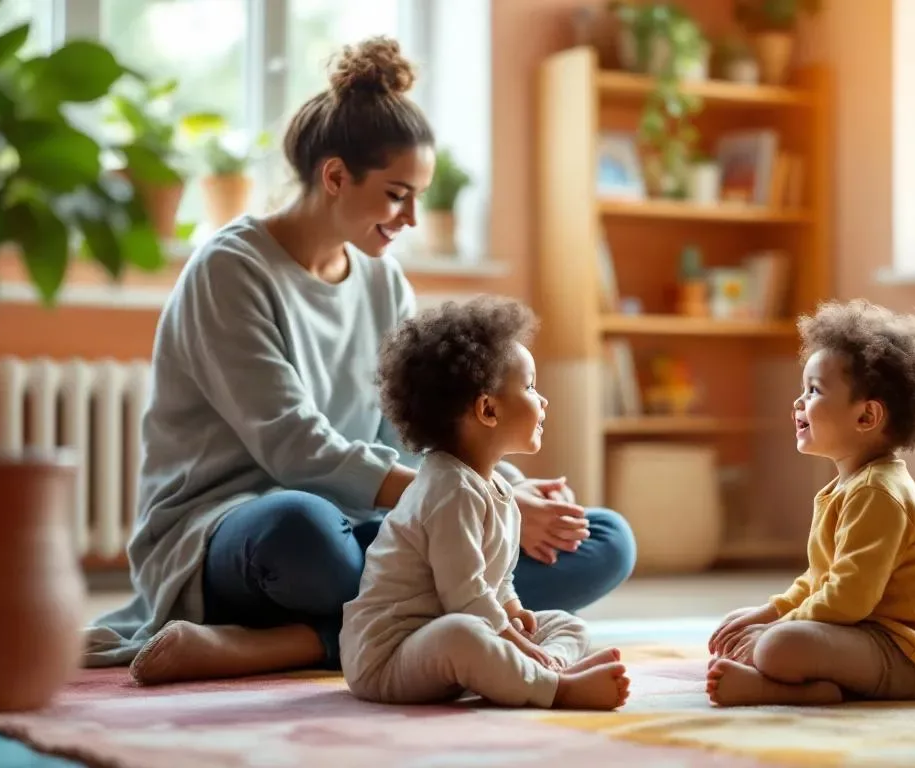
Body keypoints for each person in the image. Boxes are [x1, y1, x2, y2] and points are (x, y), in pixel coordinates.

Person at [82, 37, 636, 685]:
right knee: (302, 531)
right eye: (398, 194)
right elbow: (295, 449)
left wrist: (503, 498)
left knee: (601, 540)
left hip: (369, 527)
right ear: (336, 176)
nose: (409, 218)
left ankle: (287, 643)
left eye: (419, 198)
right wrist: (489, 507)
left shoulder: (383, 282)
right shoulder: (229, 270)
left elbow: (419, 433)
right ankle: (389, 631)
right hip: (235, 532)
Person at [340, 296, 630, 710]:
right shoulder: (448, 489)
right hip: (389, 658)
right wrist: (512, 639)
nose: (542, 400)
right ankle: (556, 687)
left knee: (566, 624)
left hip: (449, 635)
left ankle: (545, 668)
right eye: (530, 387)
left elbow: (497, 575)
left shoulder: (496, 487)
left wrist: (513, 612)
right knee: (464, 635)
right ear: (488, 409)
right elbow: (464, 593)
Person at [705, 299, 915, 707]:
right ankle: (815, 685)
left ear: (866, 417)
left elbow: (847, 600)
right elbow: (819, 581)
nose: (798, 403)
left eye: (813, 391)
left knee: (778, 646)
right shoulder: (847, 488)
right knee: (759, 630)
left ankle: (781, 688)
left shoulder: (877, 493)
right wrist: (769, 611)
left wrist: (773, 631)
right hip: (874, 635)